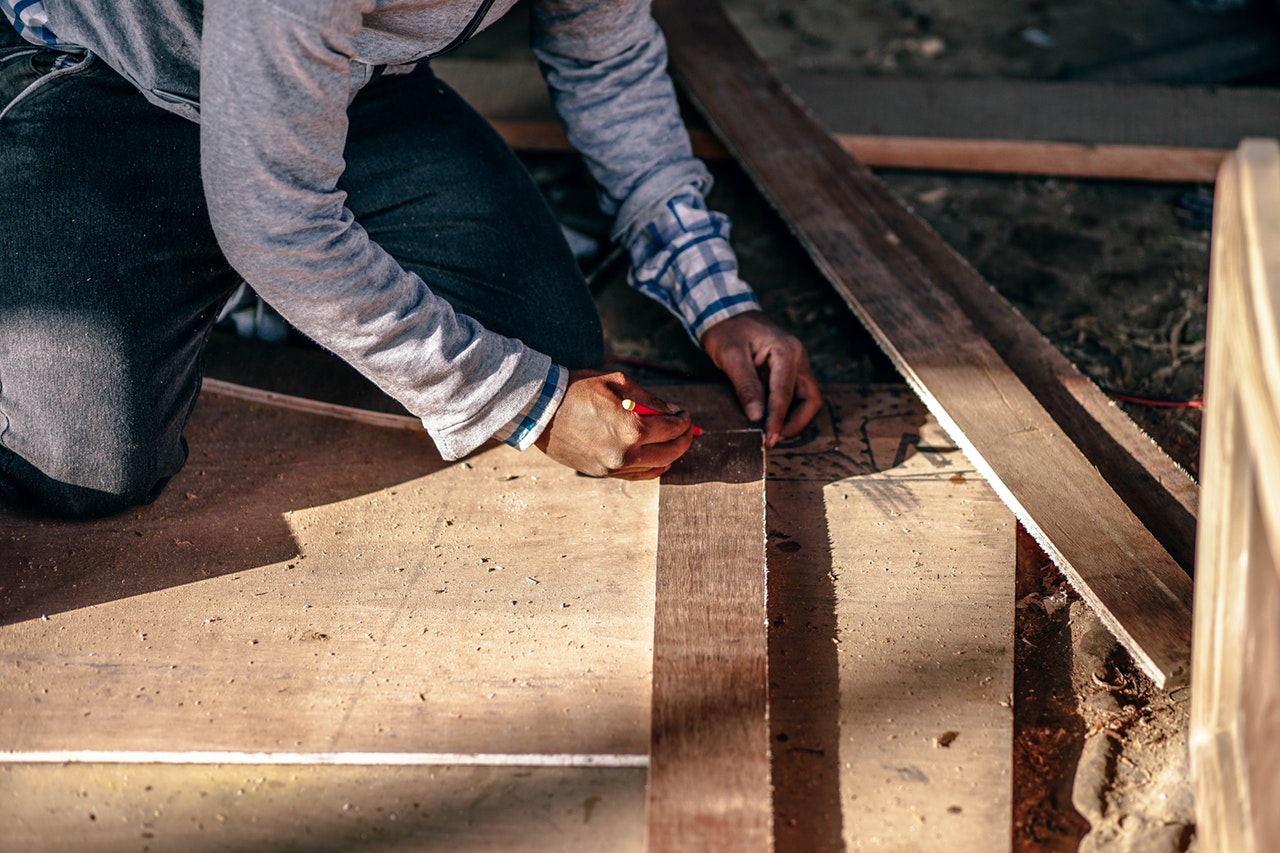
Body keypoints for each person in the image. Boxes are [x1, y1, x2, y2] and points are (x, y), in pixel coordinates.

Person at [0, 0, 822, 520]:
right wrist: (528, 402)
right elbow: (277, 219)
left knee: (552, 344)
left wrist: (717, 298)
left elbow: (606, 63)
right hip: (110, 81)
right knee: (84, 469)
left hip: (343, 87)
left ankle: (258, 294)